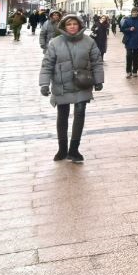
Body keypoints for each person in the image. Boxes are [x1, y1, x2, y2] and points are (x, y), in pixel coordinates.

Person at [38, 13, 103, 164]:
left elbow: (96, 62)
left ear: (80, 25)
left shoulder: (89, 41)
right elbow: (47, 64)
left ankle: (74, 149)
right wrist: (44, 84)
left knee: (80, 113)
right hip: (61, 84)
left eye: (75, 24)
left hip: (82, 83)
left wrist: (99, 80)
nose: (72, 27)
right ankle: (62, 148)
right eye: (69, 24)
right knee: (63, 115)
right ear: (63, 26)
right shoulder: (55, 43)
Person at [121, 10, 138, 78]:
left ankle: (134, 71)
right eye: (133, 12)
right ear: (131, 13)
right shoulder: (127, 20)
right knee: (129, 56)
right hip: (129, 41)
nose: (134, 13)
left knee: (136, 57)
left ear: (137, 13)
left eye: (135, 12)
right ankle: (128, 71)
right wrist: (129, 29)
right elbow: (122, 29)